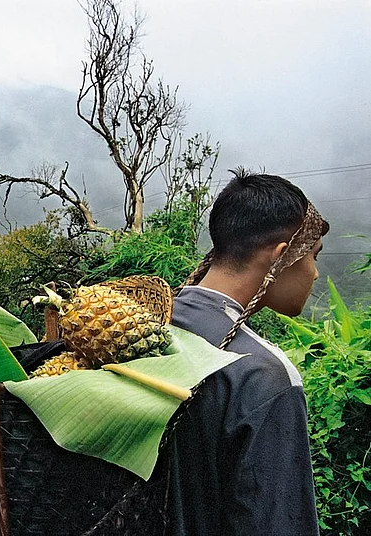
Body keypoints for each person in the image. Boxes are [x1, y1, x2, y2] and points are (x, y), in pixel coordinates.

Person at [166, 170, 329, 535]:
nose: (315, 274)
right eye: (313, 256)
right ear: (281, 257)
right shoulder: (262, 376)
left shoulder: (148, 326)